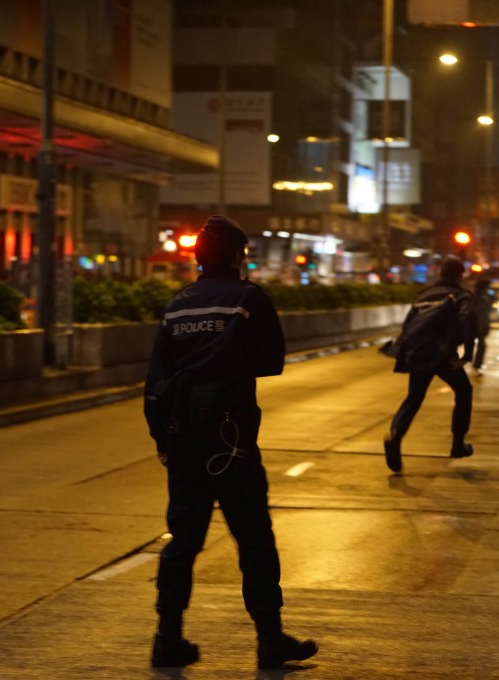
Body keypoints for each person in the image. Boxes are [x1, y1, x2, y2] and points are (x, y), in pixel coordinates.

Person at [143, 215, 317, 670]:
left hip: (182, 437)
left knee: (183, 539)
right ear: (239, 256)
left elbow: (156, 380)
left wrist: (161, 436)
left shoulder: (176, 305)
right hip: (230, 437)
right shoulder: (249, 299)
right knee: (253, 536)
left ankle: (167, 637)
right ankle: (269, 637)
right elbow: (270, 362)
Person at [384, 256, 477, 472]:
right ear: (458, 275)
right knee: (464, 390)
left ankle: (396, 434)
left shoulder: (423, 295)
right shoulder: (461, 295)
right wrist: (467, 355)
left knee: (414, 397)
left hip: (418, 352)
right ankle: (457, 444)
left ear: (439, 274)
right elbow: (468, 322)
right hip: (441, 353)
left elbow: (407, 325)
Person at [472, 279, 492, 375]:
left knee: (481, 346)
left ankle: (477, 365)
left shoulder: (484, 298)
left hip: (479, 327)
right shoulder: (476, 299)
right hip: (474, 327)